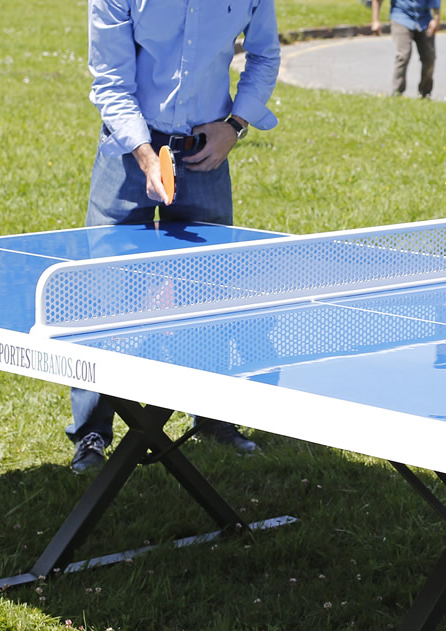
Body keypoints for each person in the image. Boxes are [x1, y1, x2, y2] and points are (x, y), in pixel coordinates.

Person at [69, 1, 281, 474]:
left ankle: (210, 418)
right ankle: (92, 432)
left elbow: (265, 55)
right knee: (102, 297)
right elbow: (111, 81)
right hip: (127, 152)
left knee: (207, 295)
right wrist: (145, 155)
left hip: (208, 152)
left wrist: (235, 126)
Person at [371, 0, 441, 99]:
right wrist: (375, 20)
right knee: (403, 55)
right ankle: (397, 93)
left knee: (429, 58)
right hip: (401, 17)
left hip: (424, 18)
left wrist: (436, 18)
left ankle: (425, 93)